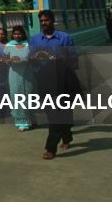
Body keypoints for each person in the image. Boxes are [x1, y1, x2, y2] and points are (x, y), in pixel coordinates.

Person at [29, 9, 79, 159]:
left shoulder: (64, 38)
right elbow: (31, 58)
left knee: (60, 113)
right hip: (44, 81)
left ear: (53, 21)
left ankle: (51, 148)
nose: (44, 23)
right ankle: (66, 136)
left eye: (46, 20)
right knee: (53, 114)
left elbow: (73, 59)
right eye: (42, 21)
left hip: (63, 81)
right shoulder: (35, 40)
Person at [4, 25, 35, 131]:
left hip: (27, 73)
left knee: (28, 95)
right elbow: (5, 59)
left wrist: (26, 60)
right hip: (14, 73)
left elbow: (34, 58)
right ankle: (20, 122)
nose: (17, 36)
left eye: (19, 33)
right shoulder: (9, 45)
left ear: (23, 34)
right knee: (16, 95)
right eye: (15, 33)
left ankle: (30, 120)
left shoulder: (29, 44)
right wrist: (10, 60)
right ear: (12, 35)